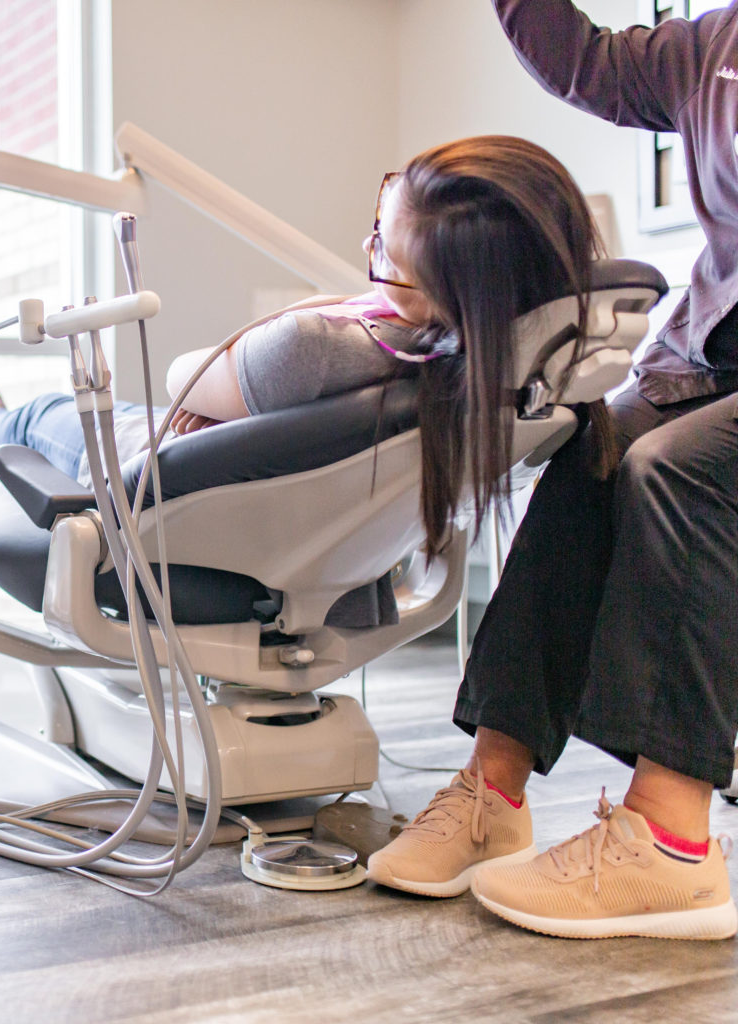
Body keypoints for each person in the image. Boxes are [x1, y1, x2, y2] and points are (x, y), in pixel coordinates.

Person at [367, 1, 738, 942]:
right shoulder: (712, 45)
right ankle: (495, 787)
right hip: (712, 357)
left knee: (676, 469)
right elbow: (584, 60)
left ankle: (672, 842)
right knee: (593, 451)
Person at [0, 134, 605, 564]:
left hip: (168, 483)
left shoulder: (310, 348)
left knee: (34, 418)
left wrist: (233, 394)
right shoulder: (487, 362)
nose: (369, 242)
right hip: (266, 496)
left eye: (385, 249)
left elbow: (179, 377)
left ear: (444, 289)